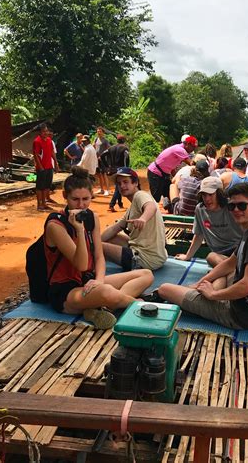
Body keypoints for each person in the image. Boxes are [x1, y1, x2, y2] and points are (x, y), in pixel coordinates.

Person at [158, 183, 248, 330]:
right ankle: (202, 291)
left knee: (165, 289)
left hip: (242, 315)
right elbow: (230, 263)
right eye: (232, 206)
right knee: (220, 273)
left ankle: (203, 297)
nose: (236, 210)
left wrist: (214, 294)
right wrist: (201, 282)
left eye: (241, 206)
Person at [44, 167, 153, 329]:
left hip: (87, 281)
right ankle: (139, 305)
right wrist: (80, 230)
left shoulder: (92, 217)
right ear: (65, 197)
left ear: (91, 196)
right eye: (75, 199)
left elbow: (99, 256)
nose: (81, 205)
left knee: (146, 274)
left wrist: (99, 281)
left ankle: (102, 307)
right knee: (106, 292)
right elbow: (81, 264)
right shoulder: (55, 225)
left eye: (86, 199)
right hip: (66, 291)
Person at [102, 167, 168, 271]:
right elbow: (114, 229)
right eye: (119, 183)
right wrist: (92, 241)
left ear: (135, 183)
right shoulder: (131, 209)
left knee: (97, 247)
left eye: (125, 182)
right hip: (156, 256)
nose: (122, 186)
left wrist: (143, 219)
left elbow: (151, 207)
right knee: (108, 238)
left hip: (145, 259)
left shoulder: (140, 195)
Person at [174, 176, 242, 266]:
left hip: (237, 250)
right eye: (204, 195)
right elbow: (198, 235)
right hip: (218, 255)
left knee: (213, 260)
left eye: (210, 194)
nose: (207, 199)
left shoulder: (232, 207)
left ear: (219, 194)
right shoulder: (200, 209)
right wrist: (188, 256)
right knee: (211, 258)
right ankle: (233, 272)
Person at [147, 136, 198, 203]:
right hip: (155, 173)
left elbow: (172, 167)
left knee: (170, 194)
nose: (193, 149)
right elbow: (191, 164)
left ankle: (169, 210)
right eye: (193, 147)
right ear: (188, 144)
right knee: (156, 197)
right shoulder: (180, 150)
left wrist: (176, 178)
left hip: (164, 174)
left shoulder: (178, 148)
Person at [33, 123, 59, 211]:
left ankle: (44, 203)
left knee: (46, 185)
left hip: (49, 166)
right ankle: (39, 204)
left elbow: (52, 152)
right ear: (40, 132)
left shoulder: (49, 141)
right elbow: (36, 155)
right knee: (40, 186)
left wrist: (55, 162)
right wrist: (40, 166)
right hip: (42, 167)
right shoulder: (37, 141)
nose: (46, 133)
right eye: (44, 131)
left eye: (46, 131)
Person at [101, 134, 129, 212]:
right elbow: (126, 159)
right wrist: (126, 169)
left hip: (113, 169)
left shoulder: (111, 148)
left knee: (118, 185)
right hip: (121, 169)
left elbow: (102, 156)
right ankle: (111, 205)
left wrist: (107, 166)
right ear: (124, 141)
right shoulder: (125, 148)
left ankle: (120, 203)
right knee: (118, 188)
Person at [93, 126, 110, 196]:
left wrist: (102, 155)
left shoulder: (105, 141)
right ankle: (102, 189)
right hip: (97, 160)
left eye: (100, 131)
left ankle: (107, 190)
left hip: (103, 160)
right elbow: (93, 146)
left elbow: (109, 149)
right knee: (99, 174)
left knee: (104, 174)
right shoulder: (96, 139)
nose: (98, 132)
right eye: (97, 131)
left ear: (103, 133)